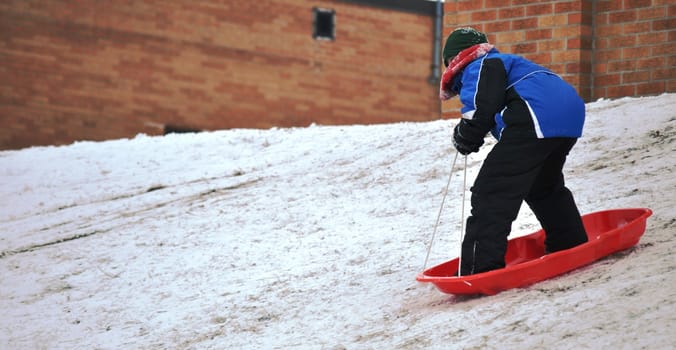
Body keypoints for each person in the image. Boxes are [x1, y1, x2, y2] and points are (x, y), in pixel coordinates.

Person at [439, 27, 589, 276]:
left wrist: (466, 134)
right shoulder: (509, 63)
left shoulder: (480, 64)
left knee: (491, 191)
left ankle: (479, 268)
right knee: (544, 188)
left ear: (455, 59)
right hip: (567, 118)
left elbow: (481, 107)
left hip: (535, 117)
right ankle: (570, 243)